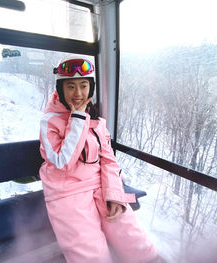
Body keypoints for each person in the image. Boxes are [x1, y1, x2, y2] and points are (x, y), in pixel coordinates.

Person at [39, 56, 163, 263]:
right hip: (68, 193)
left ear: (91, 88)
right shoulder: (50, 122)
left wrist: (114, 194)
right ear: (61, 89)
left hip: (101, 187)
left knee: (134, 240)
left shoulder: (96, 120)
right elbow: (62, 162)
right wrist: (77, 118)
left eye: (83, 86)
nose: (78, 93)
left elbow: (108, 160)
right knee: (91, 254)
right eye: (70, 86)